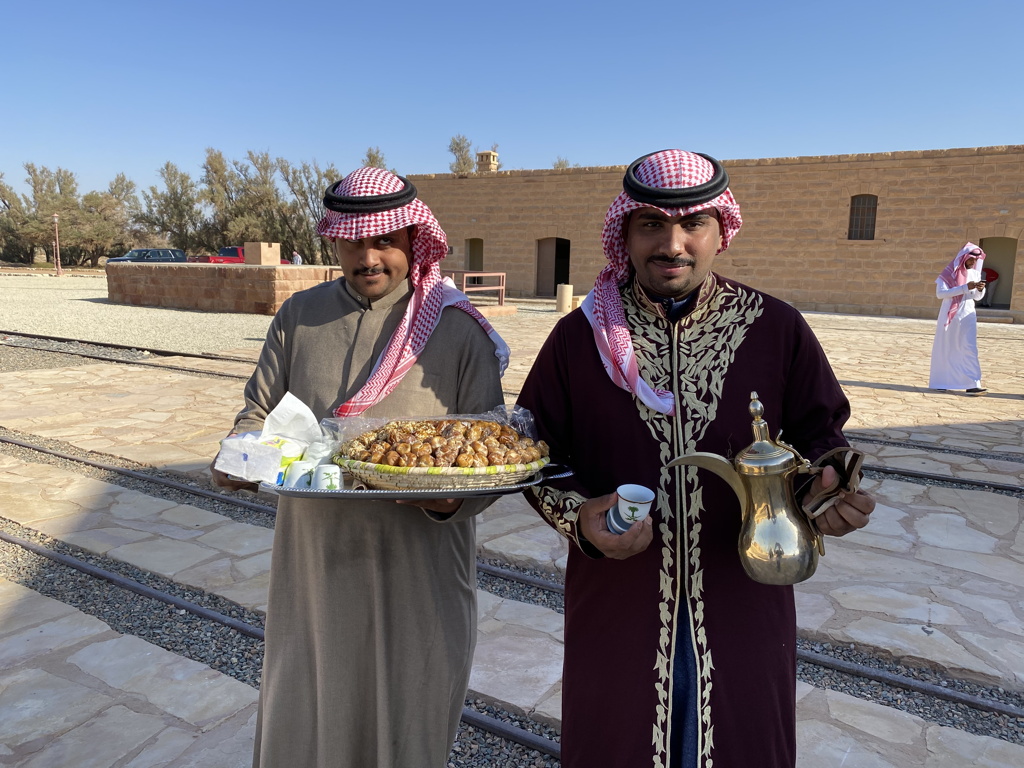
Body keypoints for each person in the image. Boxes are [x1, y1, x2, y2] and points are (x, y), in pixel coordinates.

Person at [517, 149, 875, 768]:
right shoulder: (580, 336)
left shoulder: (775, 327)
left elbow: (823, 432)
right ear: (625, 232)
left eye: (693, 225)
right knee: (614, 737)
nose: (673, 244)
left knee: (742, 738)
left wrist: (826, 493)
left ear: (721, 231)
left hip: (745, 590)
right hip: (618, 594)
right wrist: (580, 518)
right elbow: (532, 452)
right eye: (652, 224)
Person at [210, 167, 509, 768]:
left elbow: (495, 450)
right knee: (310, 707)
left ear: (413, 241)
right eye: (354, 241)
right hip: (315, 562)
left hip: (420, 562)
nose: (369, 257)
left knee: (411, 711)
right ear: (335, 240)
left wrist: (456, 500)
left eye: (386, 242)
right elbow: (256, 412)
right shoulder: (299, 316)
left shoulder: (458, 330)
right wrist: (240, 456)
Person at [929, 243, 987, 395]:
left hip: (967, 314)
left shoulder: (975, 274)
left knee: (969, 347)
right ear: (964, 258)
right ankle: (941, 381)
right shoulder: (949, 273)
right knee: (946, 347)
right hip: (950, 315)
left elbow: (975, 297)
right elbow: (941, 294)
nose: (973, 262)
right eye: (971, 259)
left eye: (976, 260)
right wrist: (965, 287)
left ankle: (973, 383)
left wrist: (980, 290)